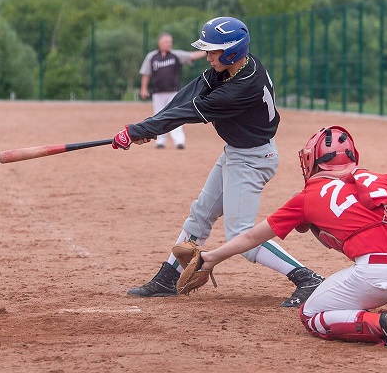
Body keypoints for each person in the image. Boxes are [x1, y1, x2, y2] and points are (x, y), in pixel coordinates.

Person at [186, 126, 387, 348]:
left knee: (311, 315)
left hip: (380, 275)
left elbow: (249, 238)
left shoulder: (306, 197)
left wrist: (210, 256)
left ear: (315, 161)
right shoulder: (383, 177)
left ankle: (381, 324)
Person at [112, 16, 325, 307]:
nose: (209, 56)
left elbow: (188, 112)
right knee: (200, 215)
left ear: (232, 52)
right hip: (238, 153)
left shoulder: (238, 89)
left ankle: (306, 278)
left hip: (252, 160)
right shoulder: (237, 67)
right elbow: (190, 94)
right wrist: (148, 127)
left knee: (241, 236)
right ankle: (167, 277)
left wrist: (139, 131)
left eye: (214, 51)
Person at [139, 33, 206, 149]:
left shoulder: (176, 55)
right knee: (158, 116)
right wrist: (143, 88)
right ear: (159, 43)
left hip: (173, 92)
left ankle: (179, 141)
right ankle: (160, 141)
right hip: (158, 93)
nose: (169, 44)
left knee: (176, 115)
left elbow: (192, 55)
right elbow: (146, 73)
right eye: (166, 42)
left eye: (170, 41)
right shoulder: (152, 56)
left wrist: (208, 51)